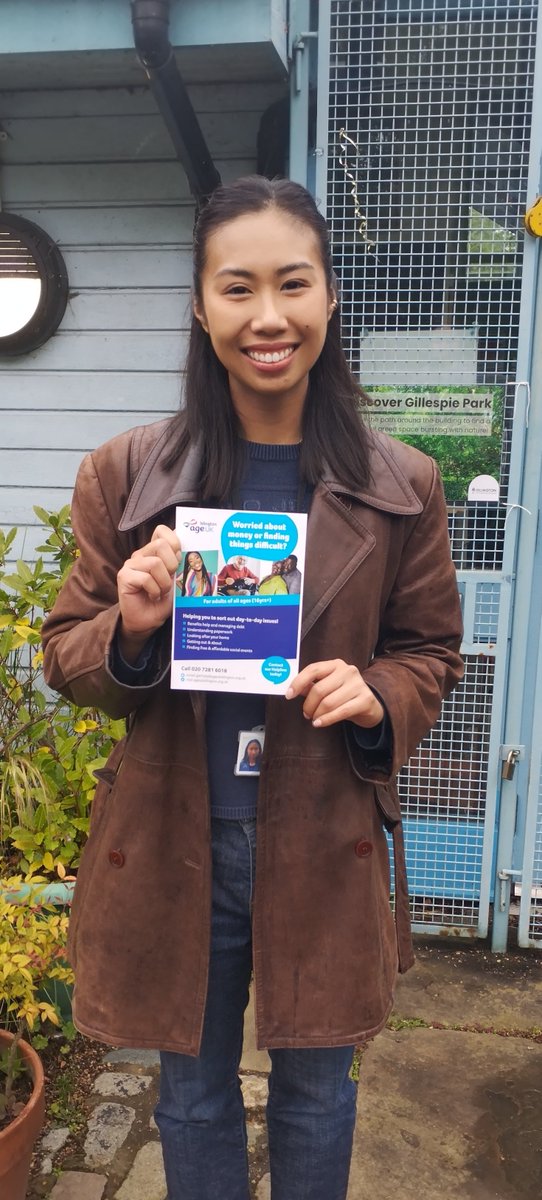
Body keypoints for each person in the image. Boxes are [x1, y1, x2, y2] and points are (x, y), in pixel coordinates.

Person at [41, 175, 463, 1200]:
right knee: (189, 1100)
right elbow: (66, 651)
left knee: (320, 1095)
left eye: (291, 285)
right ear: (199, 305)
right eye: (237, 288)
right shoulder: (125, 472)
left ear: (327, 299)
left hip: (323, 837)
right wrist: (132, 632)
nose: (266, 317)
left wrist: (376, 696)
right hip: (176, 837)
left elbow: (429, 651)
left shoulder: (400, 482)